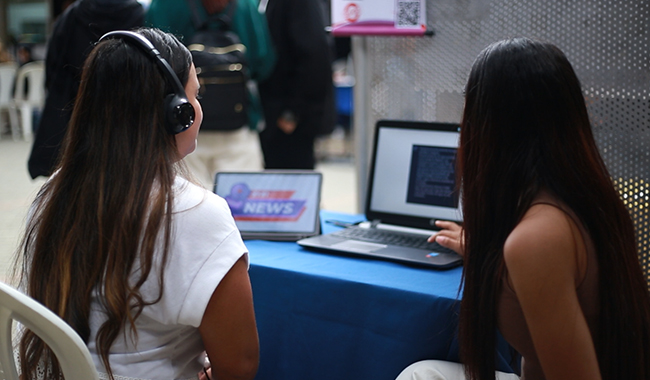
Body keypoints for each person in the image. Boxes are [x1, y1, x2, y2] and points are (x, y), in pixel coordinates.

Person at [398, 38, 650, 380]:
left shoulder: (536, 239)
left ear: (488, 125)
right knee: (422, 373)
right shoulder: (584, 199)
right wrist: (486, 253)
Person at [15, 28, 258, 380]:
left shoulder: (53, 193)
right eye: (195, 95)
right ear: (178, 114)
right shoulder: (198, 215)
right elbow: (240, 366)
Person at [147, 0, 276, 188]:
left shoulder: (164, 4)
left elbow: (150, 61)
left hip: (180, 124)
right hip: (237, 125)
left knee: (187, 206)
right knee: (240, 205)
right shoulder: (245, 4)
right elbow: (263, 61)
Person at [27, 0, 145, 179]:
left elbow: (52, 70)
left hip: (77, 113)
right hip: (130, 114)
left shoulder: (71, 17)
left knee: (77, 181)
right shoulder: (140, 14)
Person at [258, 0, 335, 169]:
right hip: (272, 114)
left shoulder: (300, 4)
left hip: (291, 118)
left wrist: (293, 113)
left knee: (292, 186)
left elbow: (316, 56)